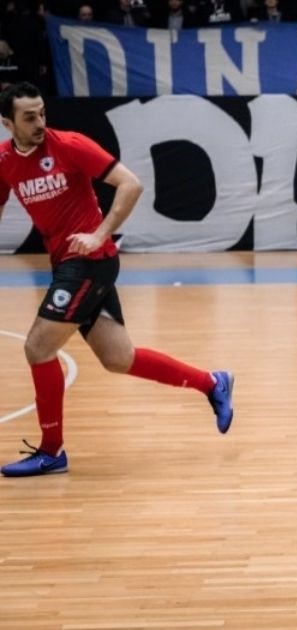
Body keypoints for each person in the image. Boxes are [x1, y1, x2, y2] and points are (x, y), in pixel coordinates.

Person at [0, 82, 234, 478]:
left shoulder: (70, 144)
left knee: (38, 347)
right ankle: (212, 382)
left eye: (42, 113)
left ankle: (52, 451)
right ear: (8, 124)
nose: (40, 122)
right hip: (66, 265)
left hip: (90, 262)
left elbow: (131, 184)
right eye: (29, 117)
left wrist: (99, 234)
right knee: (118, 358)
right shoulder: (5, 161)